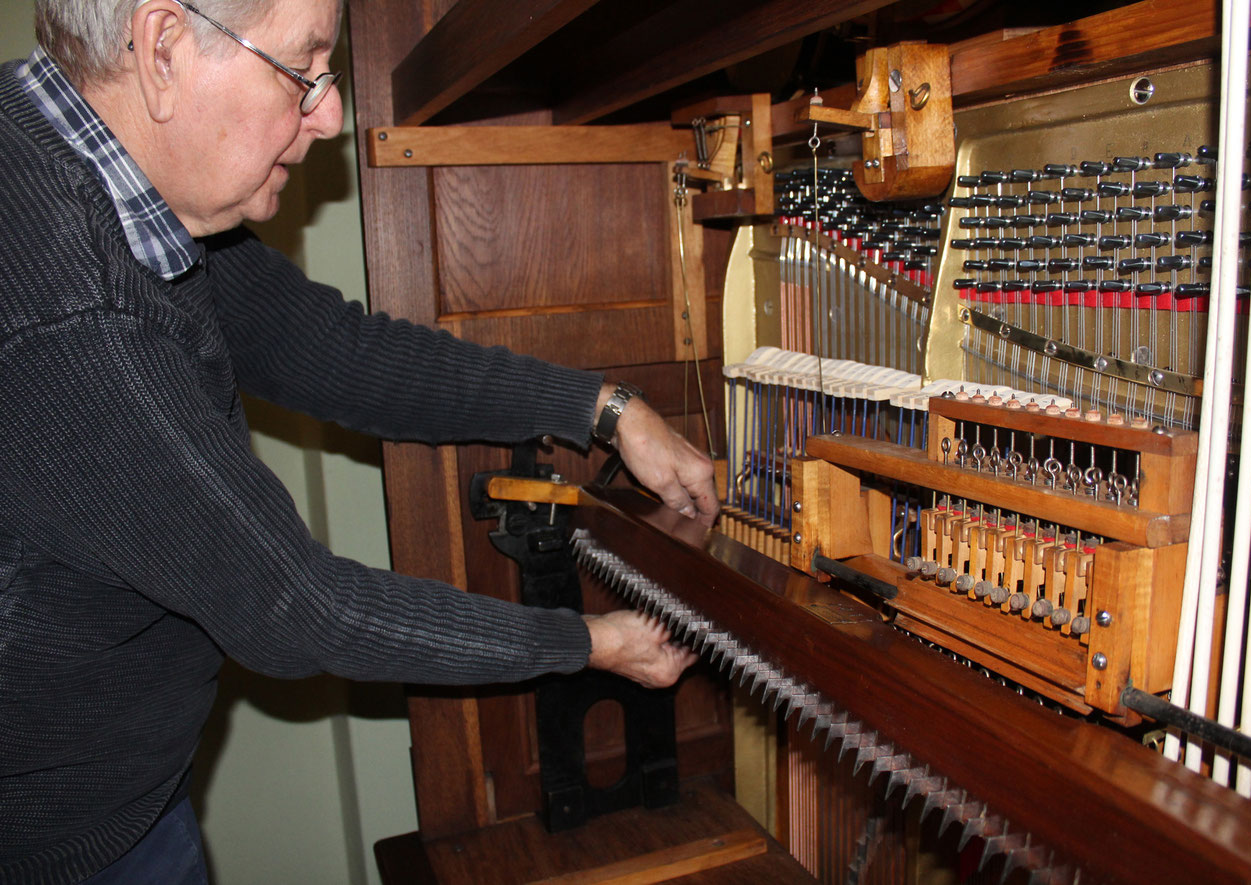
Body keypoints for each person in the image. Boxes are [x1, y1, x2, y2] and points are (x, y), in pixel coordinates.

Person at [0, 0, 719, 881]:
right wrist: (595, 643)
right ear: (163, 49)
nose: (332, 114)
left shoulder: (87, 167)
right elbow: (303, 608)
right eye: (301, 71)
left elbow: (339, 355)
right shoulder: (70, 310)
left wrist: (604, 408)